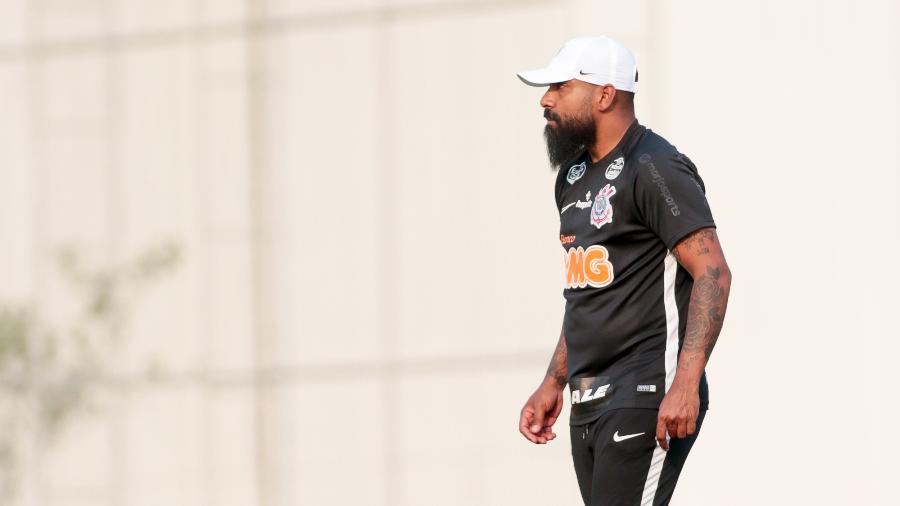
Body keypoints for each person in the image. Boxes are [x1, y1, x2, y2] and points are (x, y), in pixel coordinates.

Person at [515, 36, 732, 506]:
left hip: (646, 391)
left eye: (559, 86)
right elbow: (588, 291)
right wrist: (554, 381)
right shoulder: (572, 177)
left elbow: (713, 272)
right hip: (586, 400)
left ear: (605, 94)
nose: (545, 99)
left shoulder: (654, 166)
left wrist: (685, 385)